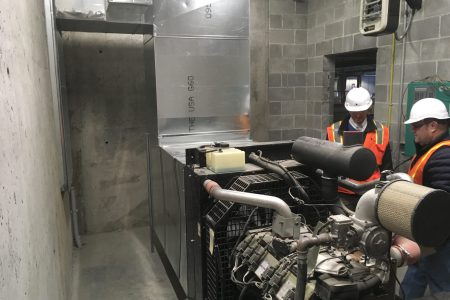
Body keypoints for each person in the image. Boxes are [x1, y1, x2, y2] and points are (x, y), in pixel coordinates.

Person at [401, 97, 450, 299]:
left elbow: (442, 206)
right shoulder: (428, 152)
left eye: (416, 125)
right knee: (414, 276)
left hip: (439, 239)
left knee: (441, 284)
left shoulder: (443, 157)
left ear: (433, 125)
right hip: (424, 235)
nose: (413, 130)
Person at [326, 87, 393, 200]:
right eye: (354, 112)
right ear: (348, 109)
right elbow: (327, 167)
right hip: (343, 193)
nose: (358, 115)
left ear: (369, 108)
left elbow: (387, 168)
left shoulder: (381, 131)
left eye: (362, 111)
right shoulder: (334, 131)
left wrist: (382, 194)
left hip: (372, 192)